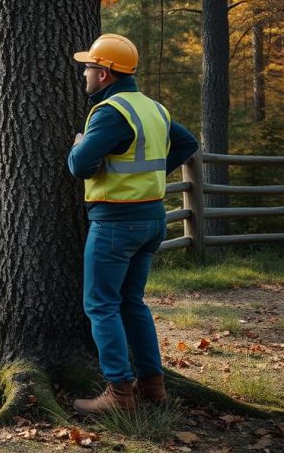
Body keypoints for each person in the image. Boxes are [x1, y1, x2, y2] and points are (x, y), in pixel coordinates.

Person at [68, 33, 198, 414]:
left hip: (115, 223)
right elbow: (187, 143)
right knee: (131, 302)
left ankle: (120, 395)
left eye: (89, 67)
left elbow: (78, 166)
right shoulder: (153, 108)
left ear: (105, 73)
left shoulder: (110, 112)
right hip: (151, 220)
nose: (85, 74)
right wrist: (154, 176)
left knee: (100, 304)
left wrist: (79, 144)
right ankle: (153, 386)